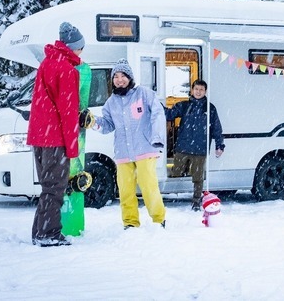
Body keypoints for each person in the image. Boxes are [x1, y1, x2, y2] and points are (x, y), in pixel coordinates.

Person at [83, 59, 167, 229]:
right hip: (123, 152)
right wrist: (93, 122)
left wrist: (157, 137)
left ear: (130, 77)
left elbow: (158, 114)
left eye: (123, 76)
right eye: (116, 76)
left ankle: (159, 219)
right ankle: (130, 222)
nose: (119, 79)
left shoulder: (144, 94)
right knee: (125, 189)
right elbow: (107, 125)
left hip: (145, 148)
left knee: (148, 185)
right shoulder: (110, 103)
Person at [27, 22, 85, 247]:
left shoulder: (47, 63)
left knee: (47, 187)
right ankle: (49, 234)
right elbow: (68, 111)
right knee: (55, 188)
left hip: (39, 137)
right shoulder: (67, 70)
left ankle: (39, 231)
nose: (81, 52)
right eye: (80, 47)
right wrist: (73, 148)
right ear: (73, 47)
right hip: (55, 139)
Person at [165, 79, 224, 211]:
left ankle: (196, 201)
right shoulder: (184, 105)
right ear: (192, 90)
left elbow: (216, 128)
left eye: (201, 90)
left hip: (200, 149)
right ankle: (174, 190)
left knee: (198, 177)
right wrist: (156, 106)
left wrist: (220, 145)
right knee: (176, 172)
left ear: (205, 91)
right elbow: (169, 114)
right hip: (183, 147)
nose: (198, 92)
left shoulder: (210, 108)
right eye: (196, 89)